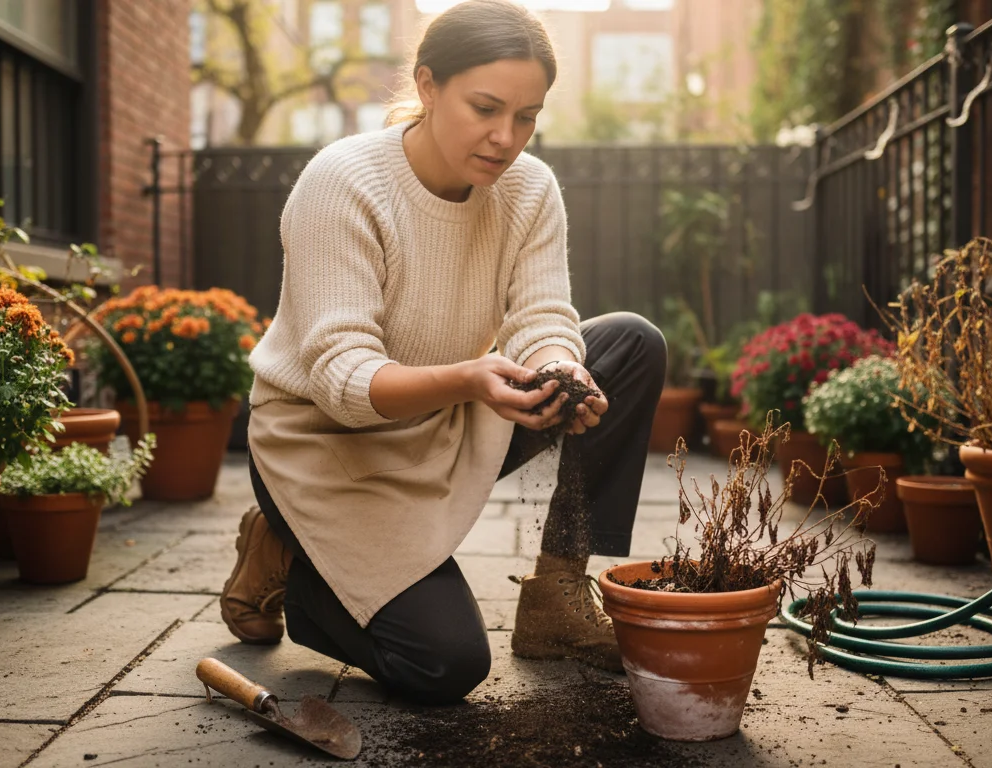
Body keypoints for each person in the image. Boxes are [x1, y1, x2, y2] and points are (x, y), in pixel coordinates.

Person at [220, 0, 665, 705]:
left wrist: (560, 365)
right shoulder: (344, 183)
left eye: (526, 117)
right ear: (427, 86)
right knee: (446, 665)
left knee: (631, 344)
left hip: (445, 415)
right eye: (485, 107)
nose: (505, 137)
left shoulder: (528, 188)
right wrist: (468, 376)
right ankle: (295, 564)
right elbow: (341, 379)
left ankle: (556, 596)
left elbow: (544, 316)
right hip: (328, 450)